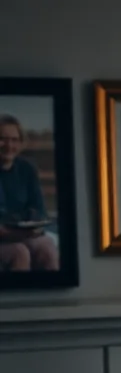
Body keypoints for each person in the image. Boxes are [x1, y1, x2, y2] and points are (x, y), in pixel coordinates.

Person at [0, 114, 59, 272]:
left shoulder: (27, 168)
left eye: (14, 140)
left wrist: (33, 223)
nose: (8, 145)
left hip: (21, 233)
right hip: (5, 237)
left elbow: (39, 209)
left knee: (47, 246)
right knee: (19, 252)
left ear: (20, 143)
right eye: (2, 139)